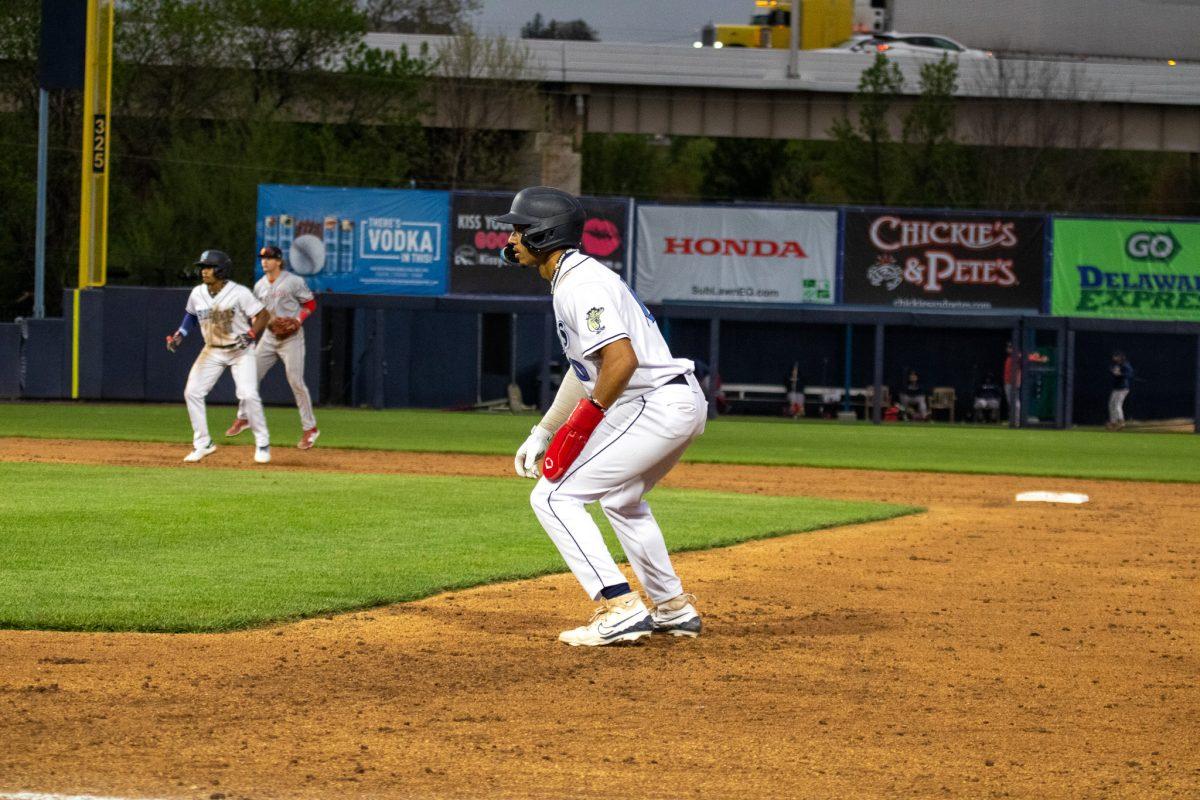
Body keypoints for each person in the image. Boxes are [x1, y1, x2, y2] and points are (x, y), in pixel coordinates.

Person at [500, 186, 706, 647]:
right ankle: (672, 606)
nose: (511, 239)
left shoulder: (582, 285)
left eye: (518, 229)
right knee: (621, 500)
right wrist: (546, 428)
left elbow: (621, 361)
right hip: (672, 402)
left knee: (553, 498)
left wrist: (583, 423)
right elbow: (589, 372)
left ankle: (619, 606)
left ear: (542, 235)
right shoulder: (575, 278)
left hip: (652, 404)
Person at [165, 250, 271, 463]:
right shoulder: (197, 293)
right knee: (192, 392)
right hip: (212, 349)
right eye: (203, 267)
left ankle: (262, 443)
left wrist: (251, 335)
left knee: (248, 394)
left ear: (221, 270)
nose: (204, 271)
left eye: (209, 267)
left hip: (240, 350)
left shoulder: (239, 292)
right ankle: (203, 443)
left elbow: (263, 315)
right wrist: (180, 334)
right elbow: (191, 316)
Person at [225, 245, 320, 449]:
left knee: (295, 381)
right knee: (250, 375)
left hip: (291, 338)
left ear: (278, 261)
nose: (264, 261)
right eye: (262, 258)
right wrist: (256, 328)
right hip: (269, 337)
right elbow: (256, 314)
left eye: (268, 258)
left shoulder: (293, 281)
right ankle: (244, 418)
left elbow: (310, 304)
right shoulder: (259, 286)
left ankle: (310, 429)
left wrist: (297, 320)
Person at [1107, 351, 1134, 430]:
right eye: (1114, 356)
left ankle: (1121, 422)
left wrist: (1121, 374)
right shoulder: (1116, 364)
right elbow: (1111, 369)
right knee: (1111, 404)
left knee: (1117, 405)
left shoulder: (1125, 364)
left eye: (1116, 356)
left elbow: (1130, 374)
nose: (1114, 358)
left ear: (1121, 357)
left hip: (1123, 388)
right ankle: (1113, 422)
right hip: (1116, 388)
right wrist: (1113, 371)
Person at [1003, 341, 1021, 425]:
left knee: (1015, 402)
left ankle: (1017, 421)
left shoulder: (1017, 357)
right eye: (1008, 347)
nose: (1008, 349)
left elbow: (1028, 358)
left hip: (1013, 383)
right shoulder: (1009, 358)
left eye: (1010, 347)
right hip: (1008, 382)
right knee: (1010, 402)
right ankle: (1013, 420)